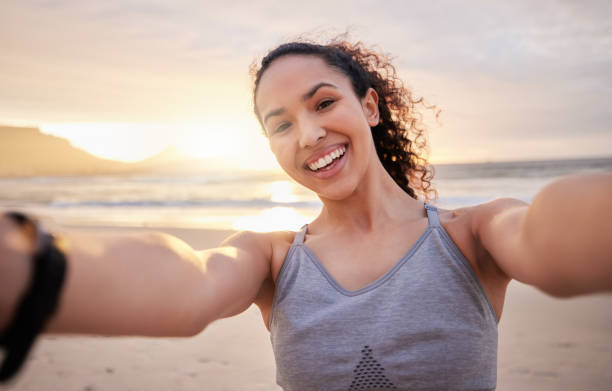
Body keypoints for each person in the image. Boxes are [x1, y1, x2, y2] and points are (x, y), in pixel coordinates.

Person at [1, 37, 611, 390]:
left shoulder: (473, 234)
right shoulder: (272, 258)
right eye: (281, 124)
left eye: (324, 102)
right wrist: (26, 267)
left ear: (369, 107)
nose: (310, 133)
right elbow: (188, 281)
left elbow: (546, 234)